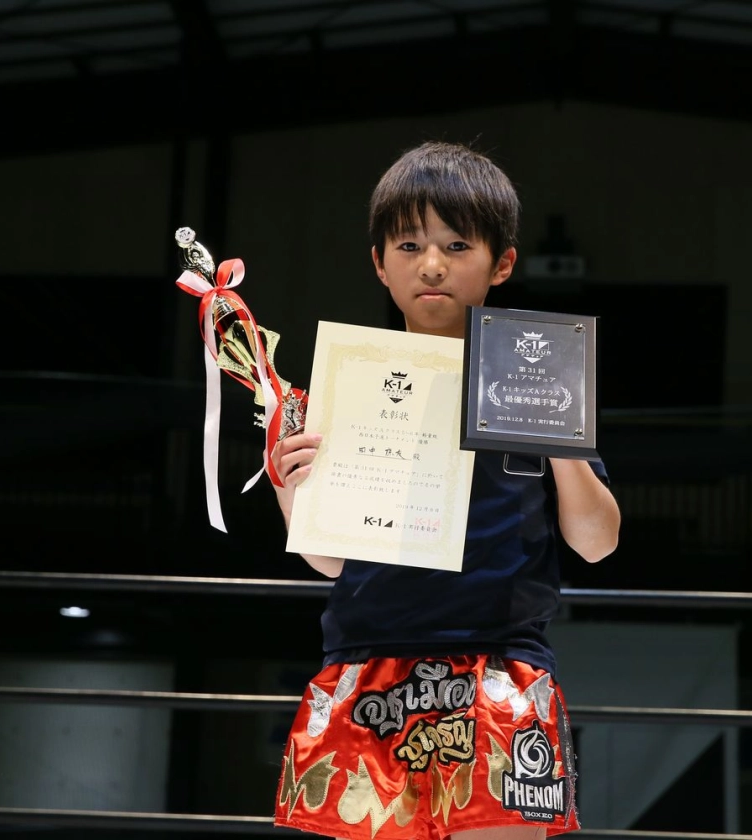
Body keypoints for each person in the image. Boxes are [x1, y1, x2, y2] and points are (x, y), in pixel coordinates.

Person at [269, 141, 621, 840]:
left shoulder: (537, 384)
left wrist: (560, 433)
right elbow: (331, 560)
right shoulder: (347, 386)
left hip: (501, 672)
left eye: (458, 245)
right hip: (366, 665)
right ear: (379, 263)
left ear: (502, 262)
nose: (432, 264)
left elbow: (597, 542)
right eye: (409, 245)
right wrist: (291, 481)